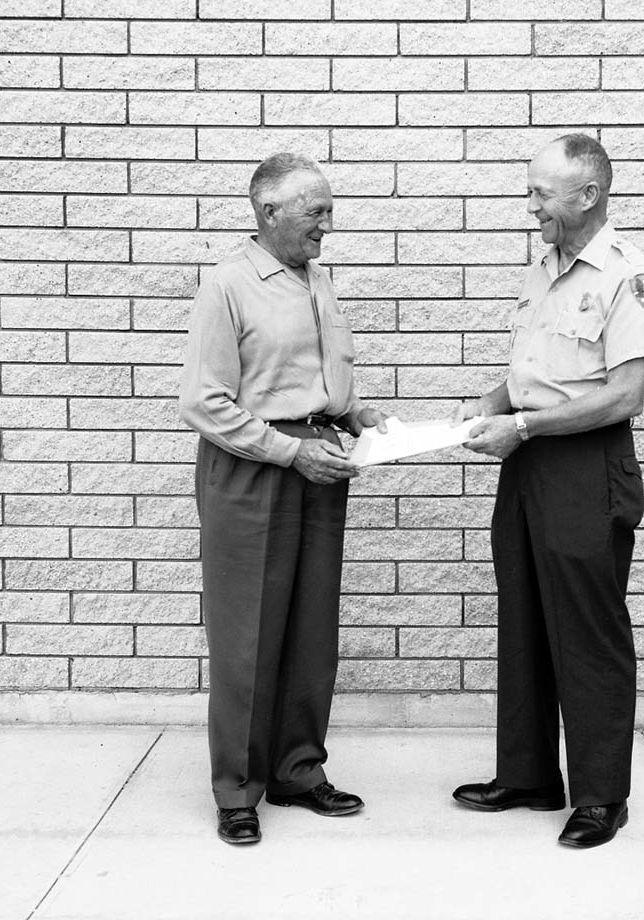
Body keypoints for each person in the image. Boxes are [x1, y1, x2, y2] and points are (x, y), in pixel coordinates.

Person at [450, 134, 644, 849]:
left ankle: (602, 797)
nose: (531, 204)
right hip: (529, 462)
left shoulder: (628, 276)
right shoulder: (544, 267)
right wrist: (489, 405)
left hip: (585, 464)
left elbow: (624, 396)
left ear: (587, 195)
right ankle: (531, 775)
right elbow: (532, 372)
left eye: (541, 192)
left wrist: (525, 425)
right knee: (524, 619)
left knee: (588, 633)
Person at [179, 152, 387, 846]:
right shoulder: (228, 286)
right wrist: (291, 451)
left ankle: (299, 769)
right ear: (268, 211)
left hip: (319, 464)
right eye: (315, 211)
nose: (328, 224)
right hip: (254, 469)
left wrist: (357, 416)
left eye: (328, 210)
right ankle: (237, 789)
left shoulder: (316, 279)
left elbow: (317, 377)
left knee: (308, 628)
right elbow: (205, 403)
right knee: (247, 635)